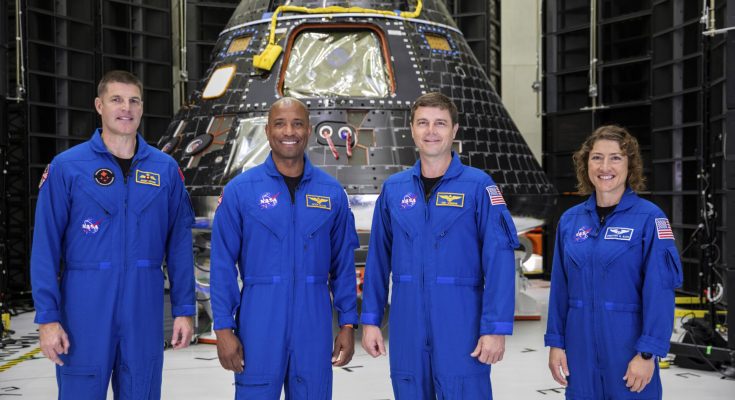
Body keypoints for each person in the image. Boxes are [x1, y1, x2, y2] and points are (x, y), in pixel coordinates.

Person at [30, 70, 196, 400]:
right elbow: (45, 247)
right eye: (116, 99)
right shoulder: (67, 167)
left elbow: (179, 247)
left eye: (134, 100)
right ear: (99, 105)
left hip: (143, 307)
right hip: (84, 308)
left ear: (142, 107)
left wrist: (184, 309)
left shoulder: (164, 170)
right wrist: (47, 318)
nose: (126, 108)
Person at [360, 92, 519, 399]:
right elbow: (378, 260)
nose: (431, 131)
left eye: (440, 123)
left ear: (454, 130)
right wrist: (370, 321)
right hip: (407, 327)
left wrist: (495, 328)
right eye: (423, 123)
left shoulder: (479, 187)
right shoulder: (394, 190)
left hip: (461, 326)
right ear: (412, 129)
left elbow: (499, 261)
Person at [210, 97, 359, 399]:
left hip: (313, 323)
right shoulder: (241, 191)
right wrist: (223, 329)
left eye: (297, 124)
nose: (289, 131)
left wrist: (347, 323)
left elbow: (343, 264)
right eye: (280, 124)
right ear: (267, 130)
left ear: (309, 130)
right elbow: (222, 264)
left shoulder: (331, 193)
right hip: (259, 322)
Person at [545, 125, 683, 399]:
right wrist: (556, 343)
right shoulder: (570, 221)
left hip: (628, 350)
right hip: (579, 352)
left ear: (630, 165)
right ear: (586, 164)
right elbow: (559, 289)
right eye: (597, 157)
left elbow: (660, 292)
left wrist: (647, 353)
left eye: (615, 158)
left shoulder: (650, 219)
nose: (604, 167)